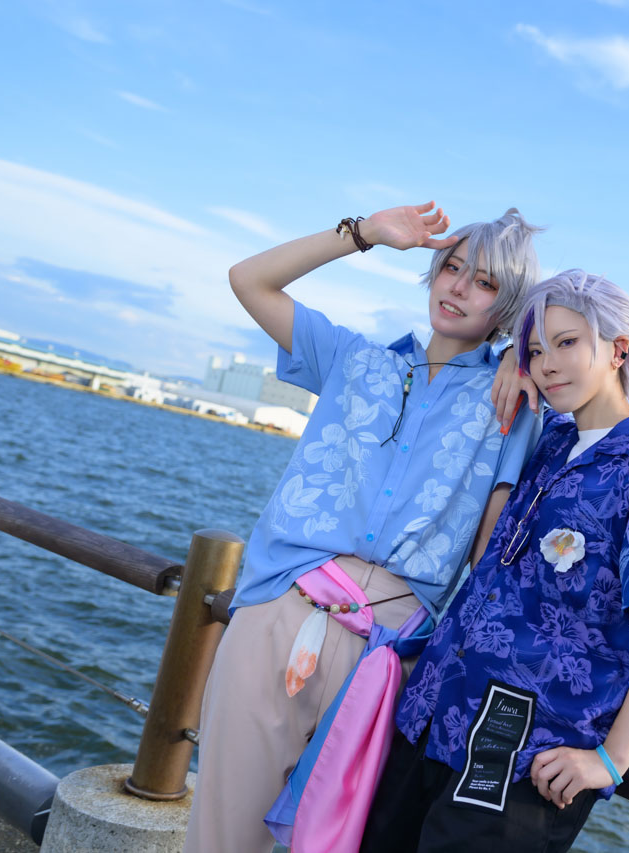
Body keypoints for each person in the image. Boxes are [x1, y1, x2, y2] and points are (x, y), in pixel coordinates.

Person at [183, 202, 543, 853]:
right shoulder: (355, 359)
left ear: (507, 305)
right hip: (282, 607)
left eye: (485, 282)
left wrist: (526, 351)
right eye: (452, 268)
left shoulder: (513, 403)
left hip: (388, 653)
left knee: (335, 842)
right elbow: (249, 279)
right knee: (221, 837)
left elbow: (494, 547)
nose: (458, 287)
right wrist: (364, 235)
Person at [361, 270, 629, 853]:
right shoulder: (550, 441)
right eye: (536, 351)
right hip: (433, 712)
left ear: (619, 350)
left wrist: (612, 758)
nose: (548, 365)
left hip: (526, 756)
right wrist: (510, 360)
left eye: (567, 343)